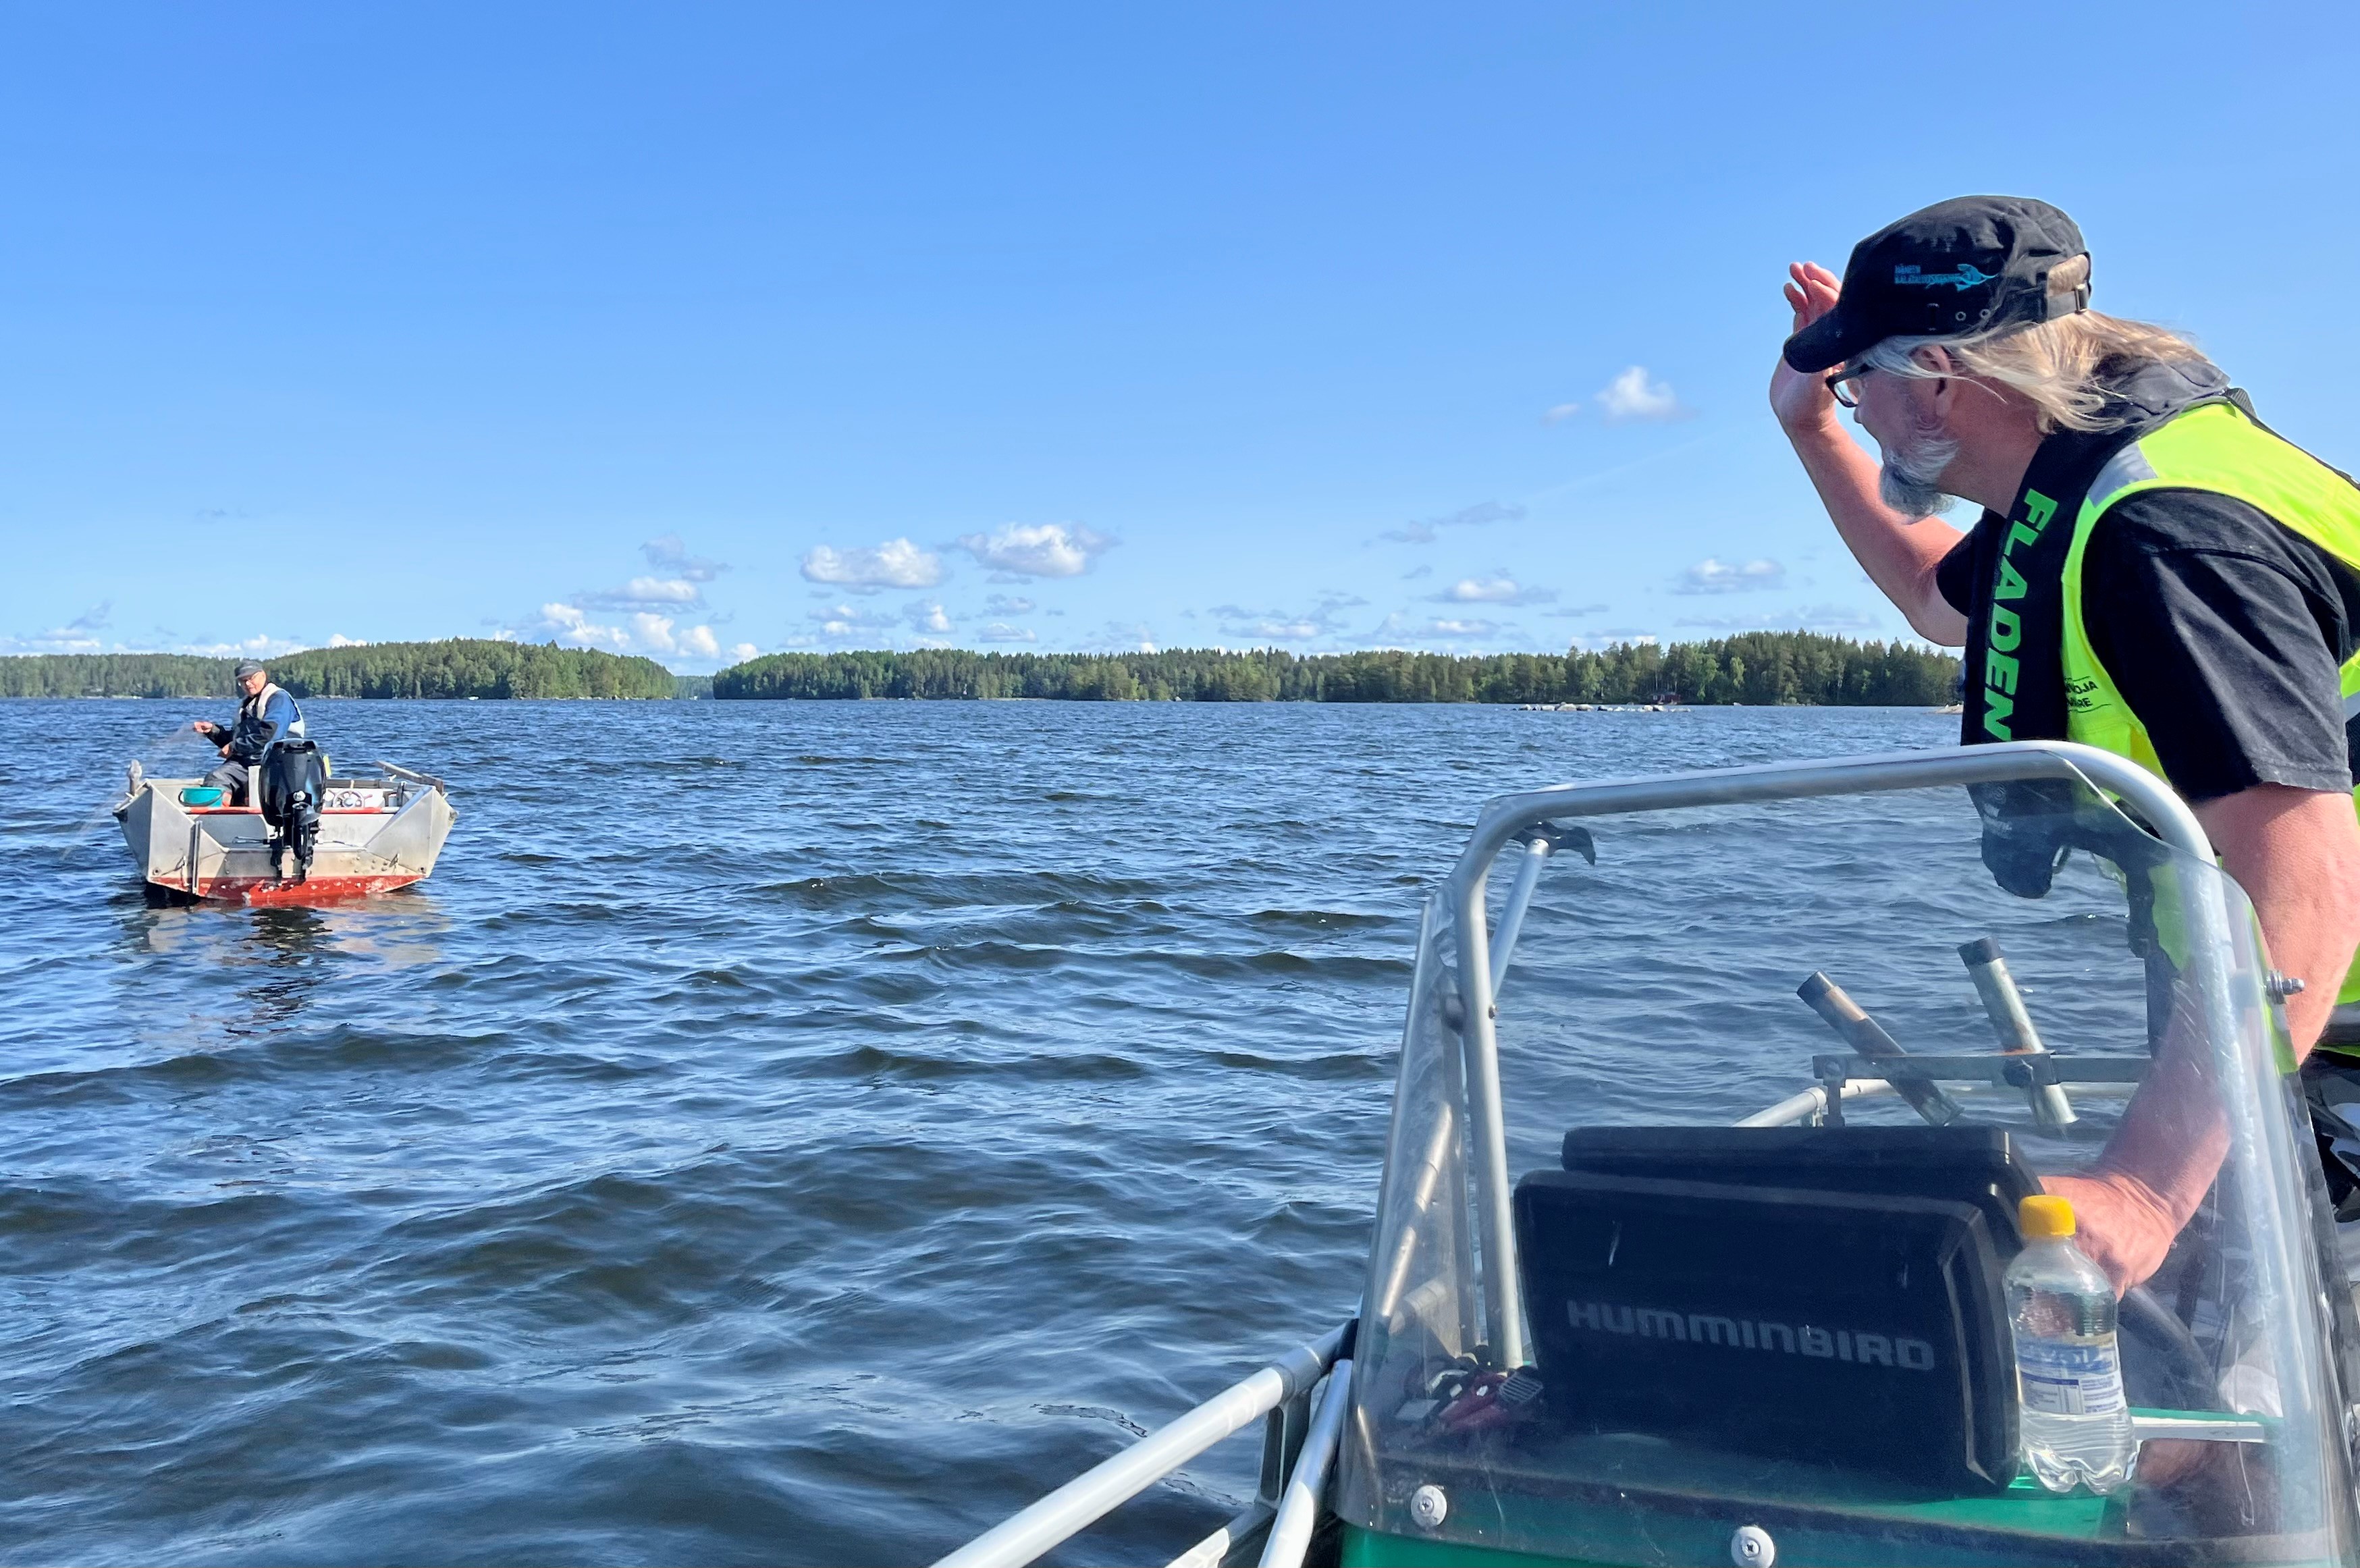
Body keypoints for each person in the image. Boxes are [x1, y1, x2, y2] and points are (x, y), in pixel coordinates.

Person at [1769, 195, 2360, 1292]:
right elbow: (1932, 594)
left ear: (1937, 376)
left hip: (2314, 1006)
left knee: (2247, 1373)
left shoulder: (2159, 535)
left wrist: (2145, 1188)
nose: (1859, 411)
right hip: (2276, 1016)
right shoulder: (2082, 488)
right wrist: (1808, 429)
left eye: (1857, 385)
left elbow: (2305, 884)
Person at [193, 659, 306, 806]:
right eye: (243, 681)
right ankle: (220, 815)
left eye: (251, 678)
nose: (248, 684)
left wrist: (235, 747)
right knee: (215, 779)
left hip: (279, 763)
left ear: (263, 675)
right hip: (248, 762)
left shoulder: (279, 699)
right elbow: (239, 739)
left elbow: (270, 734)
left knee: (248, 788)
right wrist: (213, 731)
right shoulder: (248, 704)